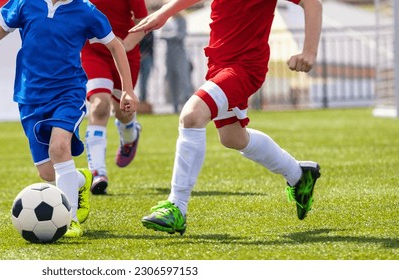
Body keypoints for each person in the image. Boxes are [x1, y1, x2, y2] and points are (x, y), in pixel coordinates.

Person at [130, 0, 323, 235]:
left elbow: (313, 3)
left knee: (192, 115)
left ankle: (176, 207)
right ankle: (298, 175)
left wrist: (309, 52)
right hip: (218, 65)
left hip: (245, 67)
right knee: (232, 137)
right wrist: (165, 12)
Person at [0, 0, 138, 237]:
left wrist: (127, 89)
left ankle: (70, 220)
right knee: (49, 174)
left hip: (67, 93)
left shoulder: (86, 10)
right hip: (30, 96)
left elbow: (116, 46)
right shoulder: (26, 3)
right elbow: (2, 27)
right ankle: (79, 179)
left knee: (60, 147)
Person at [81, 0, 148, 195]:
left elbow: (144, 20)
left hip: (124, 53)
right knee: (99, 106)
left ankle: (130, 133)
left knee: (123, 112)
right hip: (93, 51)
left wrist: (125, 44)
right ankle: (97, 173)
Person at [159, 11, 193, 114]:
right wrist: (171, 35)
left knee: (183, 79)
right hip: (169, 55)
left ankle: (187, 103)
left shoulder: (181, 20)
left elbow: (180, 35)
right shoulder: (167, 21)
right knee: (171, 79)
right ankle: (175, 105)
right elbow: (161, 35)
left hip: (180, 54)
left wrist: (168, 36)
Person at [138, 31, 155, 113]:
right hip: (138, 57)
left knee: (144, 81)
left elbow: (150, 44)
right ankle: (140, 99)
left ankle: (143, 99)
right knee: (137, 81)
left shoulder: (150, 31)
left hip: (147, 57)